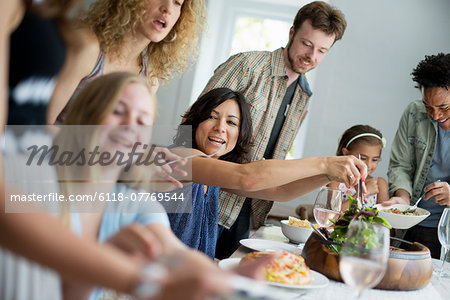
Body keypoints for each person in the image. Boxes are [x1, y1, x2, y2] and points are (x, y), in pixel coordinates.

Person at [57, 72, 275, 300]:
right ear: (85, 117)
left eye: (142, 120)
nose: (130, 126)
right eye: (118, 111)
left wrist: (232, 282)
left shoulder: (136, 204)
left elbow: (177, 254)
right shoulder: (42, 193)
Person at [201, 1, 348, 258]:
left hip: (248, 217)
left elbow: (273, 167)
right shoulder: (246, 66)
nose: (311, 56)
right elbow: (192, 126)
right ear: (292, 33)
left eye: (322, 51)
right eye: (307, 44)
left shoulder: (304, 96)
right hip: (206, 203)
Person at [167, 87, 367, 258]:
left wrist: (329, 175)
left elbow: (280, 191)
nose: (220, 128)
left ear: (240, 134)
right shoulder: (180, 158)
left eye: (231, 122)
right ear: (196, 122)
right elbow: (248, 178)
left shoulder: (212, 177)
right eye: (211, 117)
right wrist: (324, 163)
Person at [48, 0, 205, 124]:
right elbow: (41, 124)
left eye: (177, 2)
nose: (168, 9)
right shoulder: (88, 49)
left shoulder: (149, 81)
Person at [386, 53, 450, 259]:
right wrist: (402, 199)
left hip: (445, 231)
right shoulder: (414, 113)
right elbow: (400, 165)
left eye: (444, 108)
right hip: (411, 224)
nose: (436, 115)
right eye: (428, 106)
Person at [328, 125, 389, 210]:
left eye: (374, 160)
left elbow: (384, 215)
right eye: (363, 158)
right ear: (346, 153)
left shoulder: (379, 184)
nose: (368, 165)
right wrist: (363, 194)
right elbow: (333, 213)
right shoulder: (335, 182)